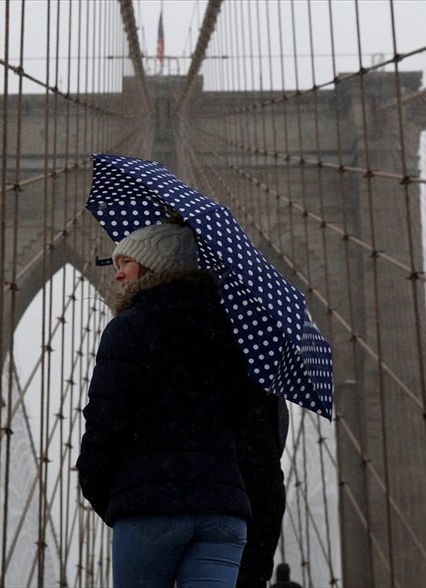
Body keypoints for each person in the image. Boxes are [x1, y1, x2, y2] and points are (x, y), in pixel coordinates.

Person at [76, 221, 253, 588]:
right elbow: (246, 423)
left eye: (127, 262)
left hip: (151, 507)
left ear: (152, 266)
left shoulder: (129, 328)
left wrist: (102, 490)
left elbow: (105, 418)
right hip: (222, 513)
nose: (118, 273)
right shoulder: (231, 334)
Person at [235, 391, 289, 588]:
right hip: (265, 489)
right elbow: (280, 437)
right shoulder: (270, 380)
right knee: (253, 574)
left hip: (225, 494)